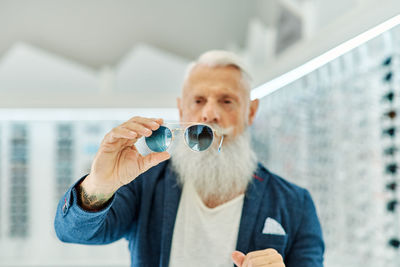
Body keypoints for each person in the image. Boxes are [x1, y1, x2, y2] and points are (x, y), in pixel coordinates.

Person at [54, 50, 324, 267]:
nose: (209, 114)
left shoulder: (295, 204)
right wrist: (99, 185)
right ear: (181, 109)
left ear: (251, 112)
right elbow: (72, 232)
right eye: (198, 101)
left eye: (227, 101)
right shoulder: (145, 184)